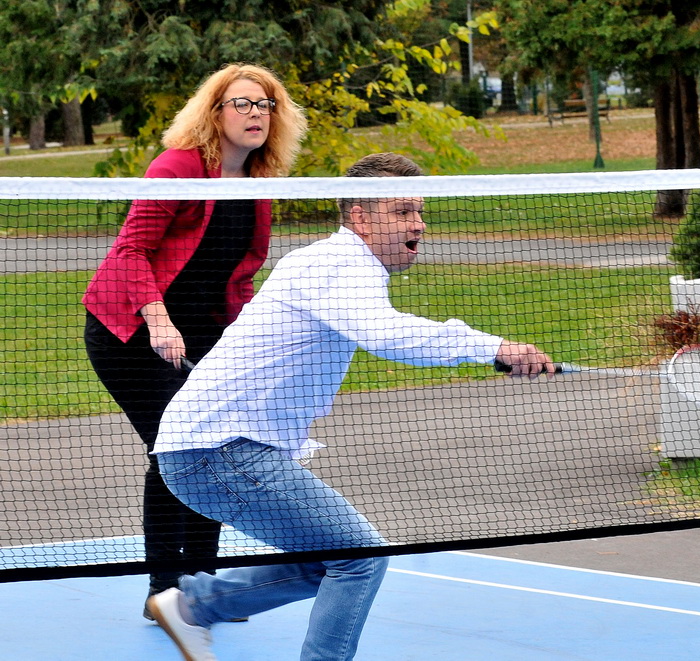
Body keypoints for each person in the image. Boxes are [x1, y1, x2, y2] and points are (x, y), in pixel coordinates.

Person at [145, 152, 555, 661]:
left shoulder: (341, 266)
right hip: (217, 452)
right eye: (403, 212)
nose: (419, 224)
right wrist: (494, 347)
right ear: (360, 216)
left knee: (332, 559)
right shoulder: (337, 266)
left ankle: (193, 606)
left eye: (419, 211)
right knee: (361, 558)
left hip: (210, 450)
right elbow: (387, 335)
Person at [82, 63, 308, 620]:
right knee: (174, 450)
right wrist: (159, 320)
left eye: (266, 105)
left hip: (203, 330)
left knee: (214, 449)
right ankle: (163, 592)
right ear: (215, 111)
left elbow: (238, 273)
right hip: (131, 327)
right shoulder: (178, 166)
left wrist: (251, 341)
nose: (256, 114)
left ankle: (201, 586)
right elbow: (132, 251)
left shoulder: (259, 181)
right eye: (243, 103)